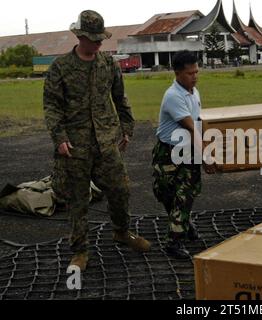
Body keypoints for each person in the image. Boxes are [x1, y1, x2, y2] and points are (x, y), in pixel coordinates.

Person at [43, 10, 151, 272]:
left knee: (120, 188)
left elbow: (120, 99)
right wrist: (59, 138)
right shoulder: (61, 68)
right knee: (78, 200)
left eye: (101, 38)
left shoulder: (108, 65)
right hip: (75, 147)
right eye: (94, 39)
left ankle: (121, 232)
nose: (99, 43)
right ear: (80, 37)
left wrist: (126, 128)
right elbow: (52, 106)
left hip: (106, 141)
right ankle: (80, 250)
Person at [152, 50, 215, 259]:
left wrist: (203, 153)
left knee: (184, 195)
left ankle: (174, 242)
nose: (195, 76)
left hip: (188, 149)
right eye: (190, 73)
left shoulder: (194, 92)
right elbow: (190, 127)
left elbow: (197, 125)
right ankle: (184, 225)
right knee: (165, 193)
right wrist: (206, 156)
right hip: (169, 152)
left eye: (197, 72)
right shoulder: (173, 96)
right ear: (178, 73)